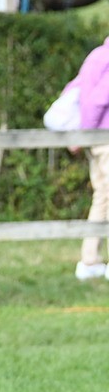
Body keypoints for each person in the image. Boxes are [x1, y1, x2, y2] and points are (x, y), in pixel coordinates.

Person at [70, 35, 109, 280]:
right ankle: (90, 261)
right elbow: (98, 101)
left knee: (102, 197)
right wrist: (85, 133)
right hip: (104, 137)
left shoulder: (96, 55)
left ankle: (90, 260)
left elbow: (73, 90)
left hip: (97, 139)